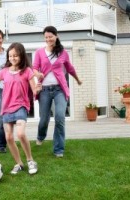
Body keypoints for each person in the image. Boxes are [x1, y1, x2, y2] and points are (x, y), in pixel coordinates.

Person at [0, 42, 41, 175]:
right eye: (10, 56)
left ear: (21, 56)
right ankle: (19, 163)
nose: (12, 58)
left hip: (21, 106)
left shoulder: (27, 71)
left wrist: (38, 89)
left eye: (15, 56)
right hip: (6, 108)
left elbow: (34, 89)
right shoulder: (4, 71)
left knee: (21, 133)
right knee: (9, 138)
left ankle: (30, 160)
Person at [33, 26, 82, 158]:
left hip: (59, 89)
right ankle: (41, 135)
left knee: (60, 118)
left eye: (51, 36)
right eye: (46, 37)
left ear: (56, 36)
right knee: (44, 119)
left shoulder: (63, 53)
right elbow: (34, 69)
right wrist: (38, 74)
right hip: (44, 90)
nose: (48, 39)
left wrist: (77, 79)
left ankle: (58, 149)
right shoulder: (39, 52)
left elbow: (70, 68)